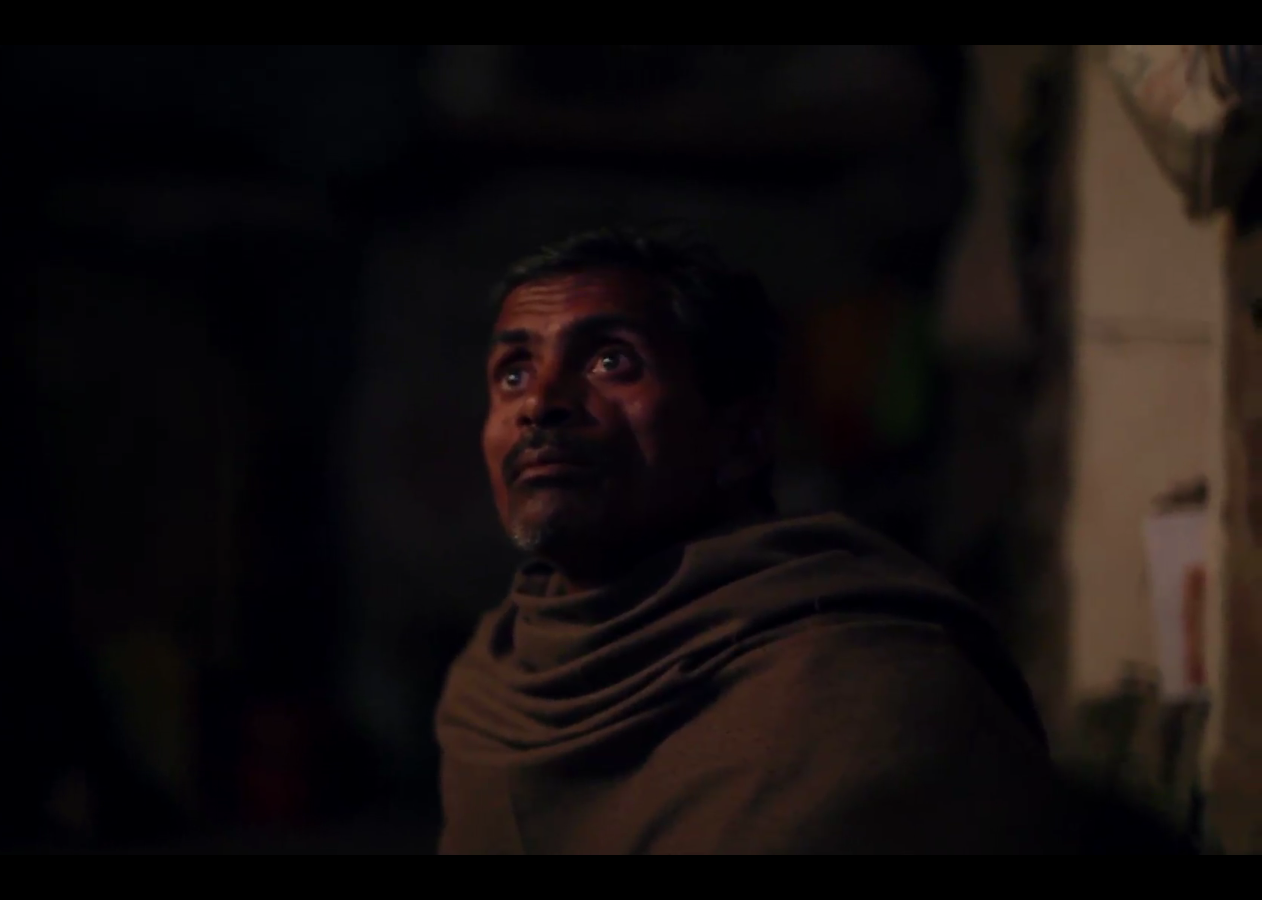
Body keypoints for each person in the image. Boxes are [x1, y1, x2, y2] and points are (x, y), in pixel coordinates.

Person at [434, 227, 1081, 855]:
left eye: (612, 362)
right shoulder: (492, 686)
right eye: (513, 374)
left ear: (741, 437)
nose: (540, 402)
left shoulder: (864, 694)